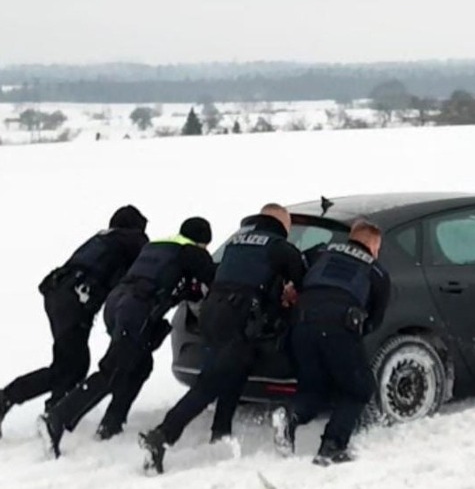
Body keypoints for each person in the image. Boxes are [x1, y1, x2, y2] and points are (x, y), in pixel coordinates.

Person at [139, 203, 305, 474]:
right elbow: (301, 282)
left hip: (212, 312)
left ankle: (221, 434)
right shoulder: (279, 247)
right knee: (212, 381)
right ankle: (162, 435)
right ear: (281, 224)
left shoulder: (236, 242)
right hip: (239, 316)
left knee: (234, 371)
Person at [38, 216, 215, 457]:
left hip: (116, 304)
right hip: (137, 308)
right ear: (202, 241)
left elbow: (168, 280)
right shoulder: (192, 252)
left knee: (140, 364)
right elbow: (215, 280)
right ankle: (57, 418)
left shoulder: (158, 246)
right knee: (113, 369)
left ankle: (112, 424)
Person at [0, 205, 148, 438]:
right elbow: (144, 271)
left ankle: (51, 410)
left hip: (59, 293)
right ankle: (17, 402)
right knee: (70, 368)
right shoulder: (132, 240)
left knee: (70, 364)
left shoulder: (104, 239)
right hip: (75, 298)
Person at [272, 220, 390, 466]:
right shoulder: (376, 271)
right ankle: (332, 447)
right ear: (372, 244)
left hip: (301, 326)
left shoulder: (320, 252)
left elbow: (295, 271)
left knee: (315, 389)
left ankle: (290, 416)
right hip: (339, 327)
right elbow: (374, 320)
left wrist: (292, 292)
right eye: (378, 248)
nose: (378, 253)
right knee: (359, 388)